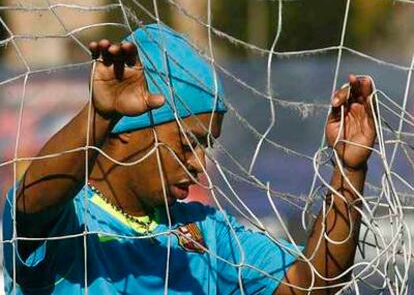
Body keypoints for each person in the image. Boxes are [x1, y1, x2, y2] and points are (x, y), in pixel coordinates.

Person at [2, 24, 376, 294]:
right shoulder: (70, 222)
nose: (200, 163)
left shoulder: (207, 232)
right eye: (188, 143)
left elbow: (311, 282)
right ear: (127, 131)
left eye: (206, 146)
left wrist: (349, 168)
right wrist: (98, 116)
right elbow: (32, 203)